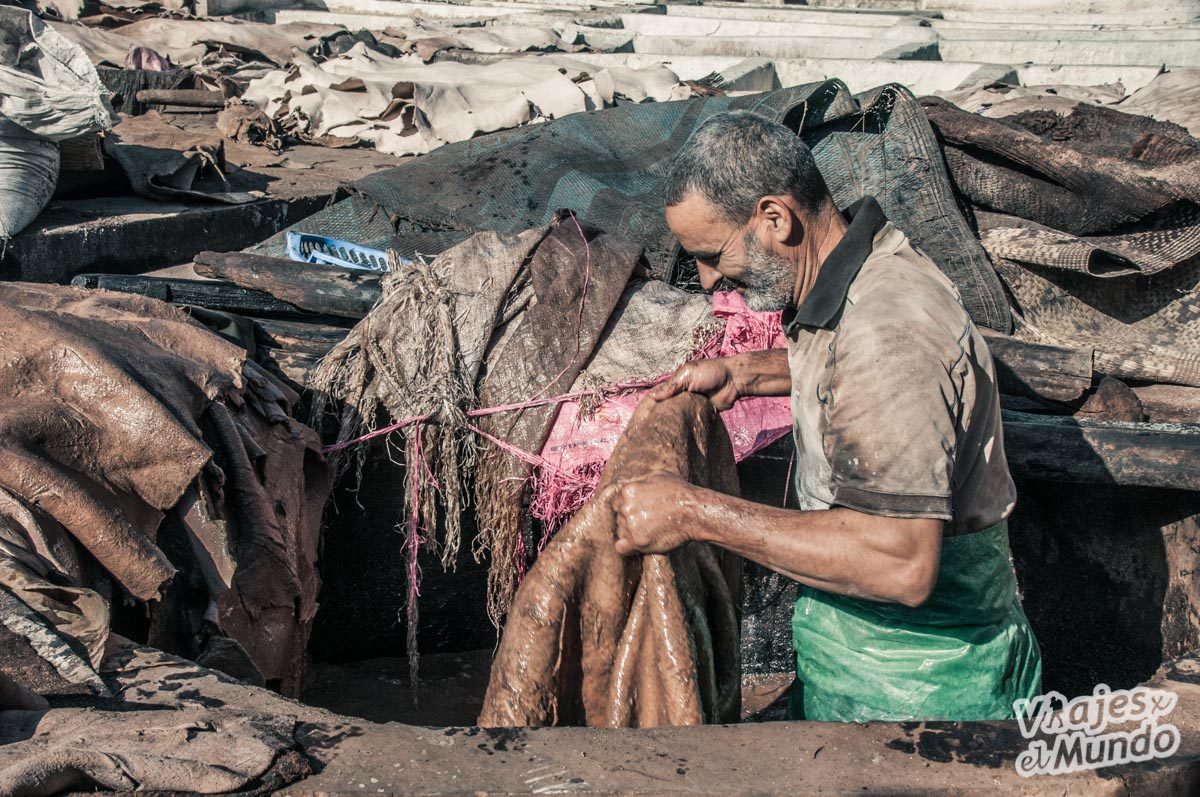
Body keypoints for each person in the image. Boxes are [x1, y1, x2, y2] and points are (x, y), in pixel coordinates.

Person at [609, 110, 1042, 722]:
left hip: (923, 699)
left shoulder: (890, 331)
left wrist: (690, 511)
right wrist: (747, 373)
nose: (707, 279)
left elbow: (899, 562)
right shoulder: (856, 278)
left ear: (774, 218)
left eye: (711, 254)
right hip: (863, 668)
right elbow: (861, 373)